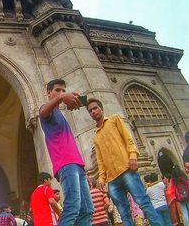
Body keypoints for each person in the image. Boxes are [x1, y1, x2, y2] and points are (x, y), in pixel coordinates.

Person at [86, 98, 163, 226]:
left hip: (127, 169)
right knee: (123, 213)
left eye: (95, 108)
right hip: (112, 179)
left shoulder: (114, 120)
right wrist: (101, 178)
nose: (93, 111)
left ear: (101, 108)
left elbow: (128, 138)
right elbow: (100, 160)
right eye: (90, 111)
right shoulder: (96, 136)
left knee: (143, 202)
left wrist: (133, 156)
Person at [39, 79, 93, 226]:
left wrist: (83, 171)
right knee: (72, 207)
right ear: (49, 93)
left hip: (77, 166)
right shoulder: (46, 111)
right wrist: (62, 98)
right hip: (66, 164)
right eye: (57, 90)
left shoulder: (59, 114)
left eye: (63, 90)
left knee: (87, 210)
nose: (61, 93)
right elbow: (43, 112)